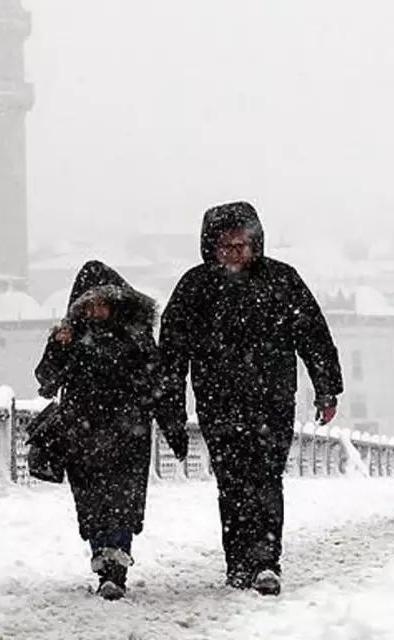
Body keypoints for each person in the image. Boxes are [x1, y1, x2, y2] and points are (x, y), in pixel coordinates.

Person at [159, 202, 343, 596]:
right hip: (218, 403)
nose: (234, 253)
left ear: (255, 243)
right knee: (232, 482)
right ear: (212, 246)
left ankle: (265, 561)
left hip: (271, 401)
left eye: (241, 245)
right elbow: (171, 353)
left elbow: (313, 335)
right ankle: (238, 562)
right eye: (226, 246)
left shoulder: (281, 281)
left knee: (265, 479)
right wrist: (170, 407)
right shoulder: (195, 288)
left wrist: (327, 387)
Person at [34, 260, 191, 601]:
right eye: (90, 304)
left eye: (103, 302)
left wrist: (173, 427)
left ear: (118, 302)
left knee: (122, 501)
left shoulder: (137, 338)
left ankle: (115, 567)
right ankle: (103, 560)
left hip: (127, 434)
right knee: (92, 504)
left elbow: (159, 386)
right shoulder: (71, 338)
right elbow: (46, 382)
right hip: (83, 435)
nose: (97, 310)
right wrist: (58, 346)